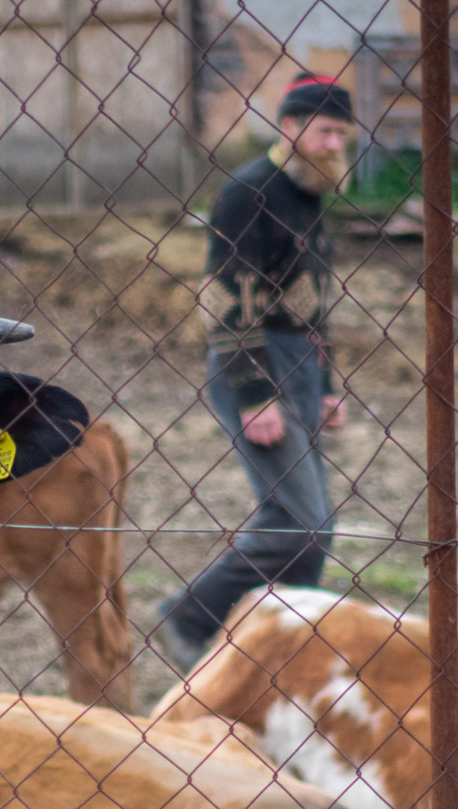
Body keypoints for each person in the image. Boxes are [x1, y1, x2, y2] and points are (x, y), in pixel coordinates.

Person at [154, 71, 358, 671]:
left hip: (299, 363)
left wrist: (326, 385)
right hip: (254, 360)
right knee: (300, 522)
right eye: (324, 132)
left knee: (315, 521)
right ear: (289, 128)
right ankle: (192, 616)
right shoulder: (250, 191)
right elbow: (227, 300)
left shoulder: (310, 189)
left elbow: (315, 299)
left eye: (341, 134)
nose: (334, 146)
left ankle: (286, 639)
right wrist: (254, 394)